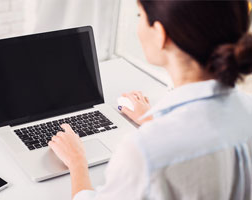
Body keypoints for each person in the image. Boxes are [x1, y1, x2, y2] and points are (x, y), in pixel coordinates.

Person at [48, 1, 252, 199]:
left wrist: (77, 163)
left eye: (140, 16)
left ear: (160, 35)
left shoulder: (144, 152)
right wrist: (152, 121)